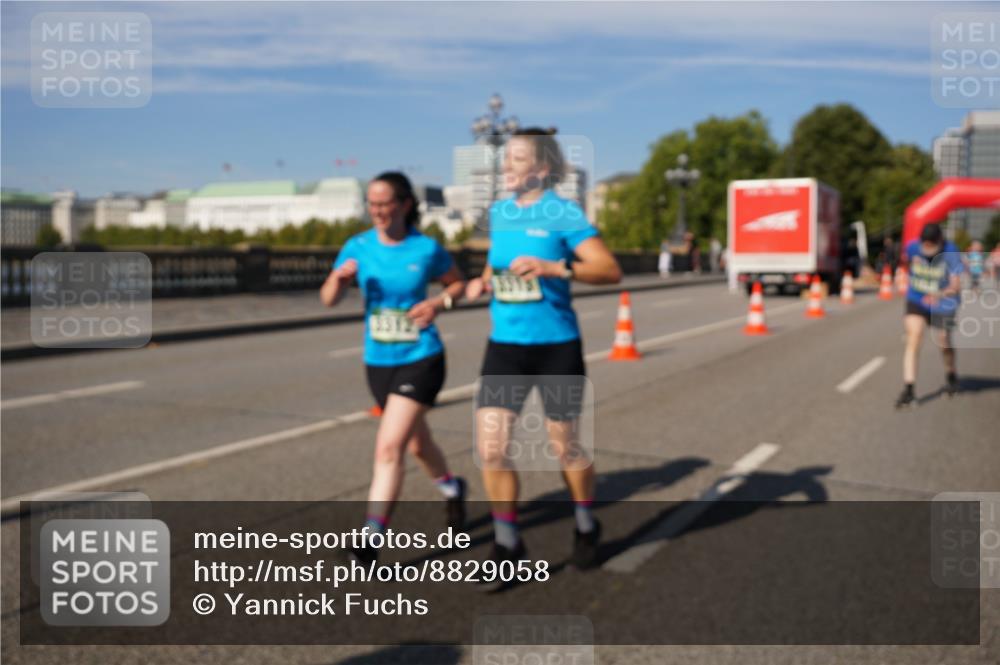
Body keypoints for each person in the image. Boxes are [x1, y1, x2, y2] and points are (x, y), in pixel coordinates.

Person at [465, 128, 622, 583]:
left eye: (516, 160)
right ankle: (507, 544)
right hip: (505, 347)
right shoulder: (499, 213)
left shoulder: (563, 212)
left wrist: (557, 267)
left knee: (565, 446)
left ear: (542, 169)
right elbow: (494, 268)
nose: (506, 169)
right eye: (505, 160)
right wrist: (483, 282)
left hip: (555, 346)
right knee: (490, 450)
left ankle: (587, 524)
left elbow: (608, 269)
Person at [319, 171, 468, 562]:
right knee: (418, 443)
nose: (377, 211)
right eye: (372, 203)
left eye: (384, 203)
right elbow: (329, 299)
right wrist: (338, 277)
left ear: (403, 205)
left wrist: (437, 304)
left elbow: (458, 285)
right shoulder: (357, 246)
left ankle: (370, 538)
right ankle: (453, 489)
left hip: (422, 357)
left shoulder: (426, 248)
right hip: (378, 360)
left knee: (389, 447)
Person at [895, 223, 964, 409]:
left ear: (940, 241)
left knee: (943, 341)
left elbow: (956, 285)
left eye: (932, 246)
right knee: (914, 336)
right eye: (925, 246)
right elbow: (904, 264)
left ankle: (951, 373)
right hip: (917, 298)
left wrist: (939, 294)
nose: (928, 250)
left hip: (943, 301)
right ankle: (909, 389)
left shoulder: (951, 251)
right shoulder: (912, 248)